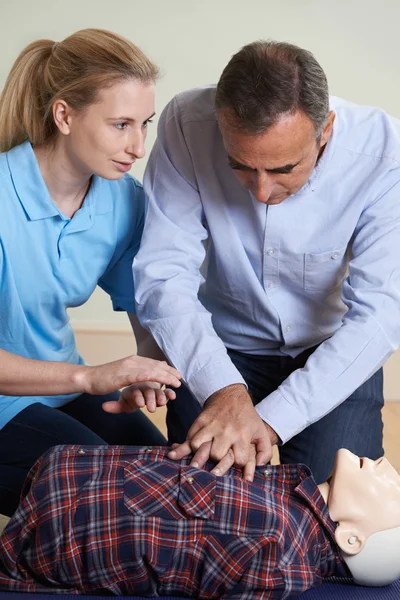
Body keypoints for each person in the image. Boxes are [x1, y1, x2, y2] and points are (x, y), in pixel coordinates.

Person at [132, 40, 400, 483]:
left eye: (283, 169)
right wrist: (223, 388)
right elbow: (164, 273)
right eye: (240, 166)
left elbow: (379, 317)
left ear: (326, 130)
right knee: (203, 501)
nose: (259, 193)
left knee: (339, 514)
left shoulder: (386, 155)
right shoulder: (186, 125)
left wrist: (267, 421)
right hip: (217, 344)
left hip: (330, 348)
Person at [0, 28, 182, 517]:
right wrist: (91, 374)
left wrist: (147, 365)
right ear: (64, 115)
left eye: (145, 123)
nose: (138, 146)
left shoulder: (122, 201)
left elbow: (141, 311)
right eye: (120, 124)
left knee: (166, 481)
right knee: (110, 497)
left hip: (60, 390)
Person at [0, 445, 399, 597]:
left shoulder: (279, 550)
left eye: (393, 491)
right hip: (71, 471)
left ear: (350, 539)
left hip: (60, 514)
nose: (387, 466)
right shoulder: (290, 493)